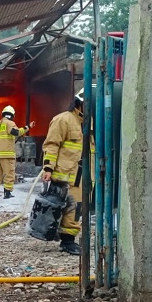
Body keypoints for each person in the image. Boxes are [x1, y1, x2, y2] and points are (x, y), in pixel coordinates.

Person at [41, 88, 88, 255]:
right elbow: (51, 145)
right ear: (79, 103)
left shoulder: (86, 123)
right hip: (65, 173)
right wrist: (48, 167)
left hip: (81, 174)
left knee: (77, 207)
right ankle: (67, 241)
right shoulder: (63, 120)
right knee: (69, 207)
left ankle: (65, 236)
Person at [0, 105, 35, 199]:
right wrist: (28, 127)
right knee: (9, 173)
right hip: (7, 154)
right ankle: (7, 193)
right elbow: (16, 132)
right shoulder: (9, 123)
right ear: (11, 115)